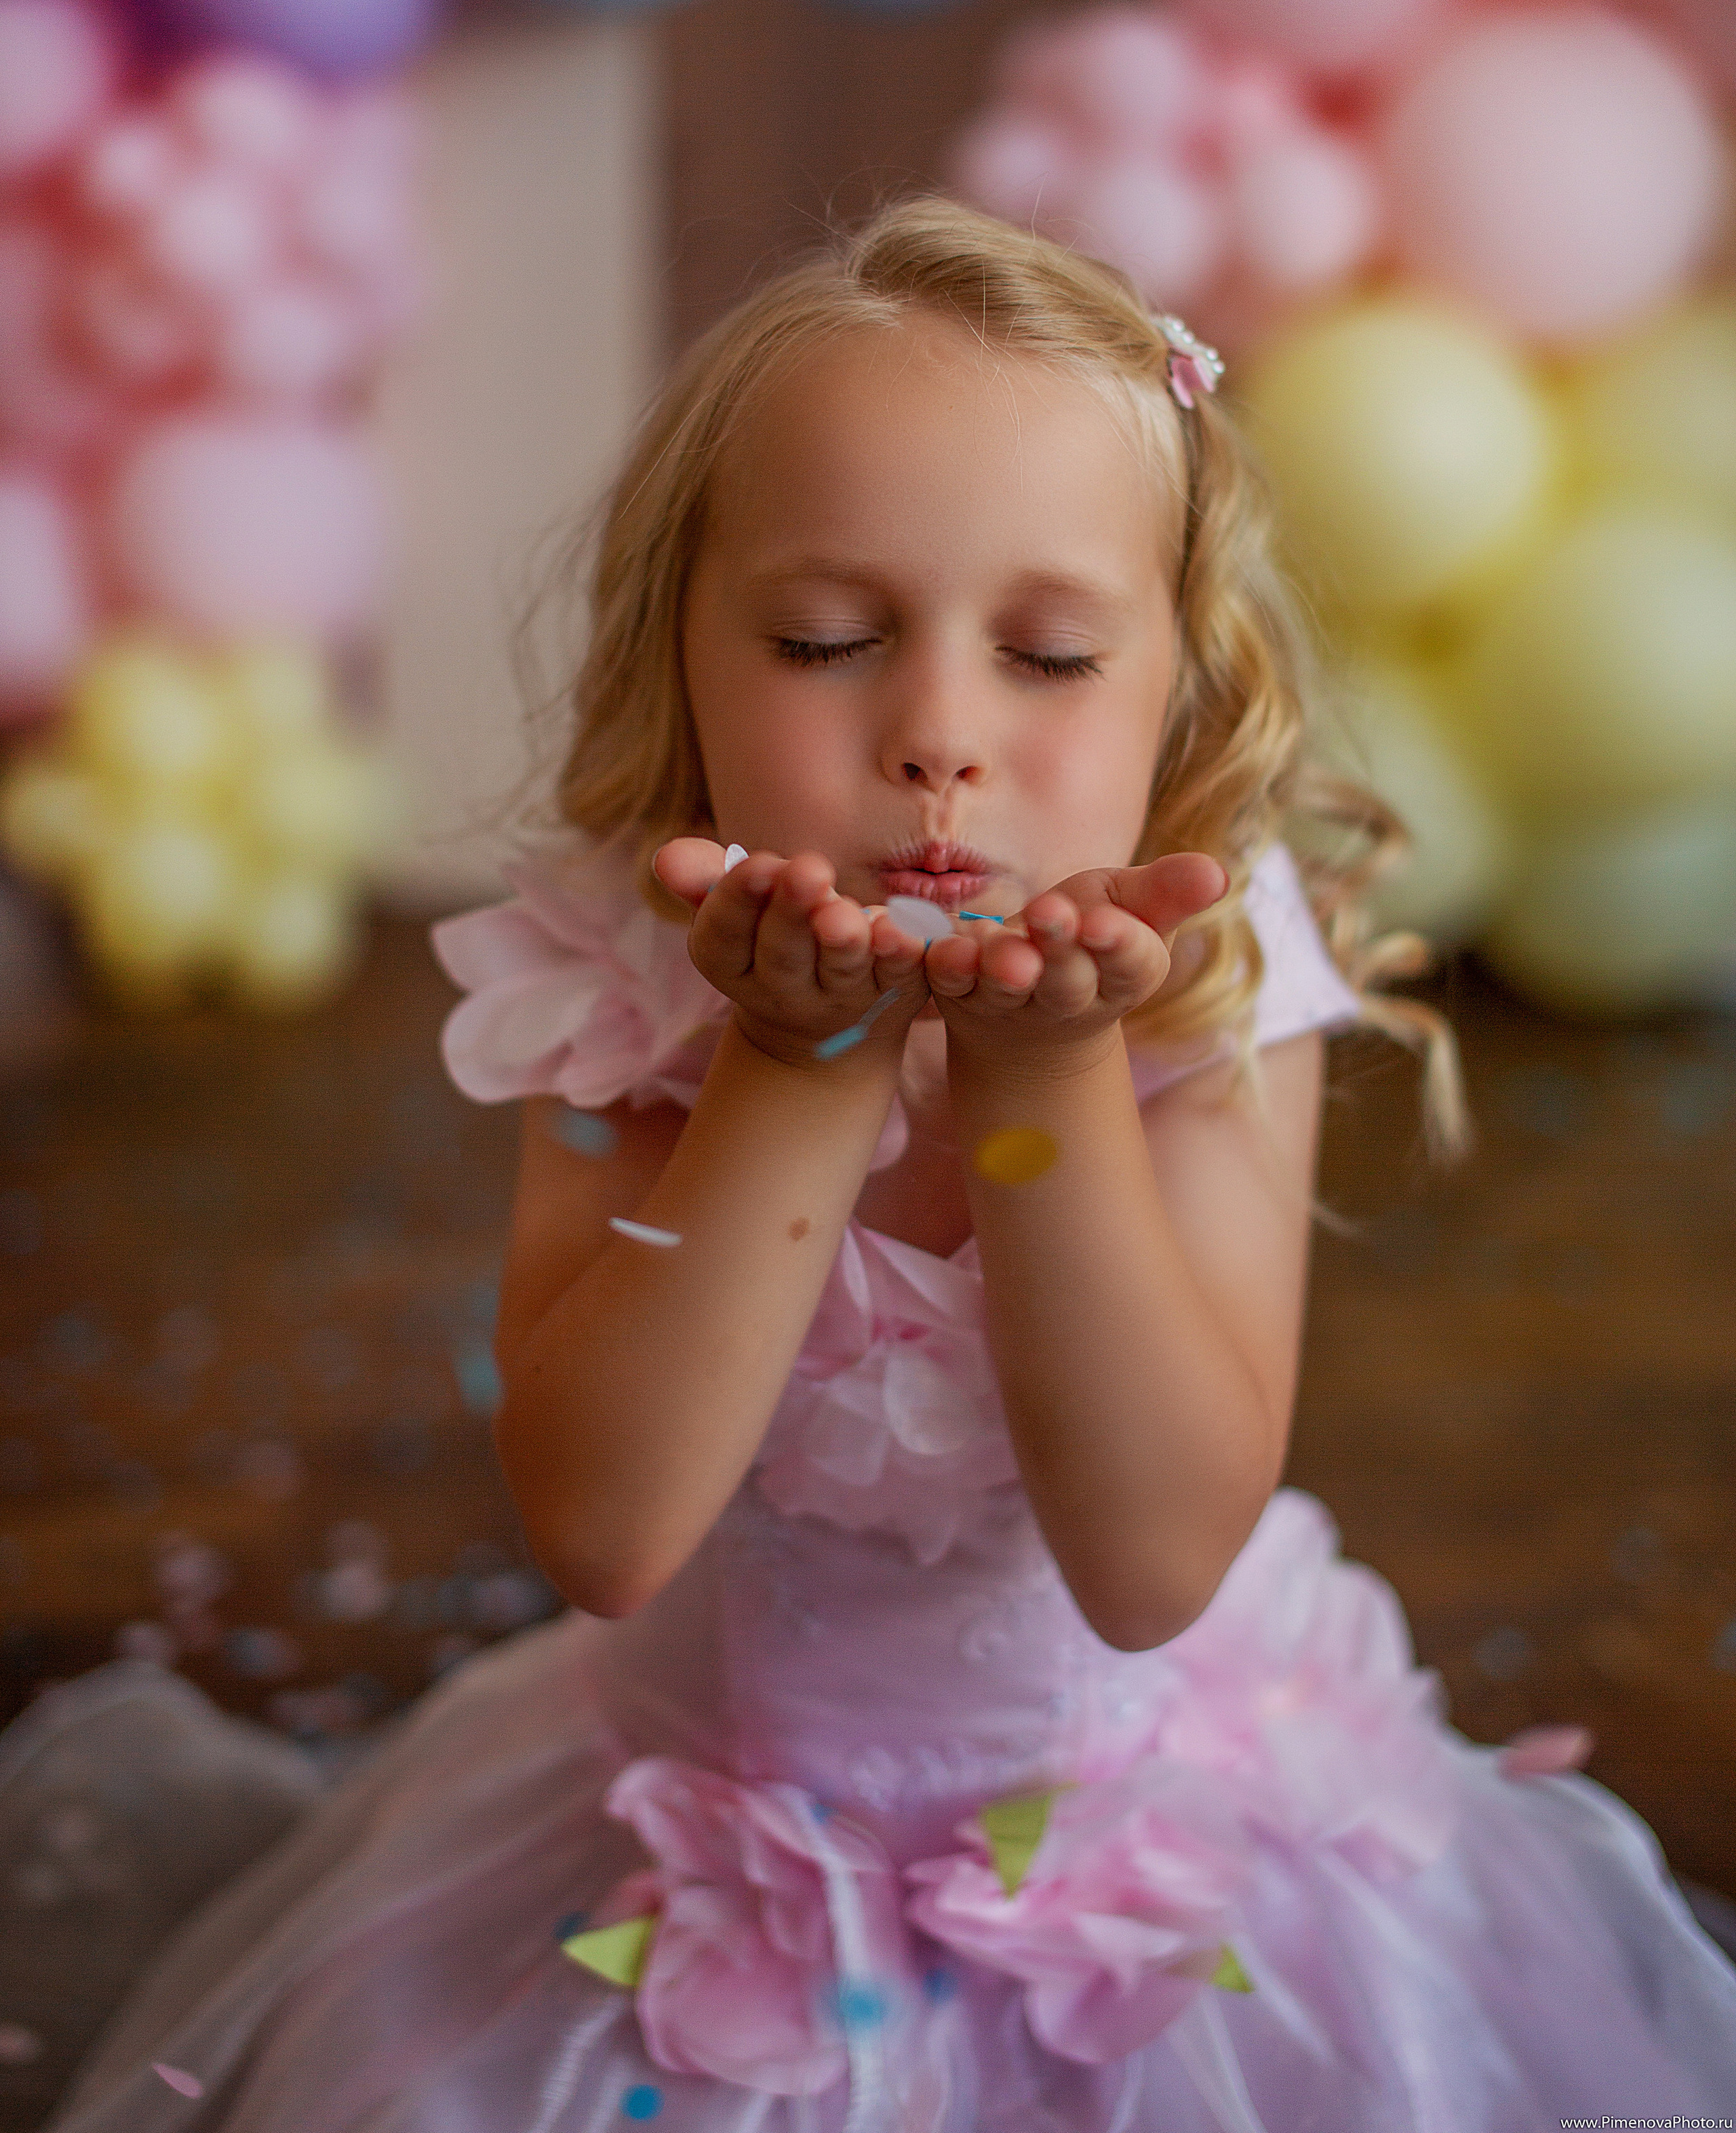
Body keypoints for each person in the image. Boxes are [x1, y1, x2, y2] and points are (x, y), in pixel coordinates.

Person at [52, 201, 1736, 2132]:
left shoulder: (1211, 990)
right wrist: (794, 1056)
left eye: (1049, 652)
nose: (939, 734)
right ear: (677, 649)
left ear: (1176, 679)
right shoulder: (615, 983)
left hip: (1152, 1867)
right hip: (707, 1857)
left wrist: (1046, 1075)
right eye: (828, 639)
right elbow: (607, 1529)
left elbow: (1151, 1558)